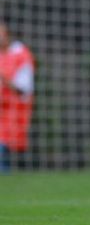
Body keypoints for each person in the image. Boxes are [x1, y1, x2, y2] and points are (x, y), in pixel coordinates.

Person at [0, 20, 35, 173]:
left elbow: (24, 89)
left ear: (7, 35)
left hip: (11, 116)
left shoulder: (21, 55)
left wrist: (5, 80)